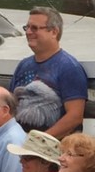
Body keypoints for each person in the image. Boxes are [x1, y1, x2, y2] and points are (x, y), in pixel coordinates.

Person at [9, 7, 88, 138]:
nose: (28, 32)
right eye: (26, 27)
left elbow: (75, 116)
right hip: (20, 142)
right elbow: (11, 106)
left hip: (54, 149)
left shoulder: (69, 68)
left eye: (34, 28)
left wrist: (38, 141)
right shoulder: (23, 65)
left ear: (54, 32)